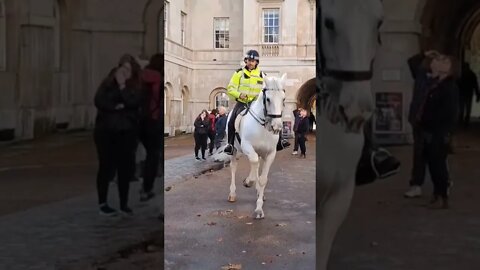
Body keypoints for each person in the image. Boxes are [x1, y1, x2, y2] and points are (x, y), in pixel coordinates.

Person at [409, 50, 459, 208]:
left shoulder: (448, 86)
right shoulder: (432, 81)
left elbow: (449, 113)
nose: (439, 61)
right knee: (430, 162)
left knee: (438, 165)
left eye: (444, 61)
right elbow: (413, 63)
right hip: (426, 129)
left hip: (437, 131)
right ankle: (436, 192)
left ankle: (442, 194)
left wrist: (444, 131)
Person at [93, 54, 142, 216]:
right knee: (106, 167)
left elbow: (133, 103)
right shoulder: (108, 83)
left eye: (128, 69)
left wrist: (122, 88)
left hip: (126, 133)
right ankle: (103, 202)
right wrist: (117, 107)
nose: (124, 72)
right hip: (106, 132)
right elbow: (99, 101)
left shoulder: (134, 85)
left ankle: (123, 203)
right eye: (123, 68)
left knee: (125, 169)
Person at [223, 49, 290, 155]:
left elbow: (268, 89)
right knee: (232, 119)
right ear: (245, 61)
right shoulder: (239, 73)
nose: (250, 62)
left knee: (274, 116)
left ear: (256, 62)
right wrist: (239, 95)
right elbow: (230, 88)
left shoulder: (262, 75)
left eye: (253, 61)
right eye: (249, 60)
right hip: (242, 102)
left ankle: (280, 140)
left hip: (256, 103)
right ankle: (230, 144)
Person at [138, 53, 163, 202]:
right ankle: (146, 188)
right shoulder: (158, 78)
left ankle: (142, 185)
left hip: (139, 121)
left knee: (144, 155)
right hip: (153, 121)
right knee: (153, 156)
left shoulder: (140, 76)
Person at [458, 62, 480, 128]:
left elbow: (457, 84)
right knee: (468, 109)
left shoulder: (461, 74)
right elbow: (475, 85)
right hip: (468, 94)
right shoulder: (472, 75)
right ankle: (466, 123)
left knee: (461, 109)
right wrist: (477, 95)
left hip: (462, 94)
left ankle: (461, 122)